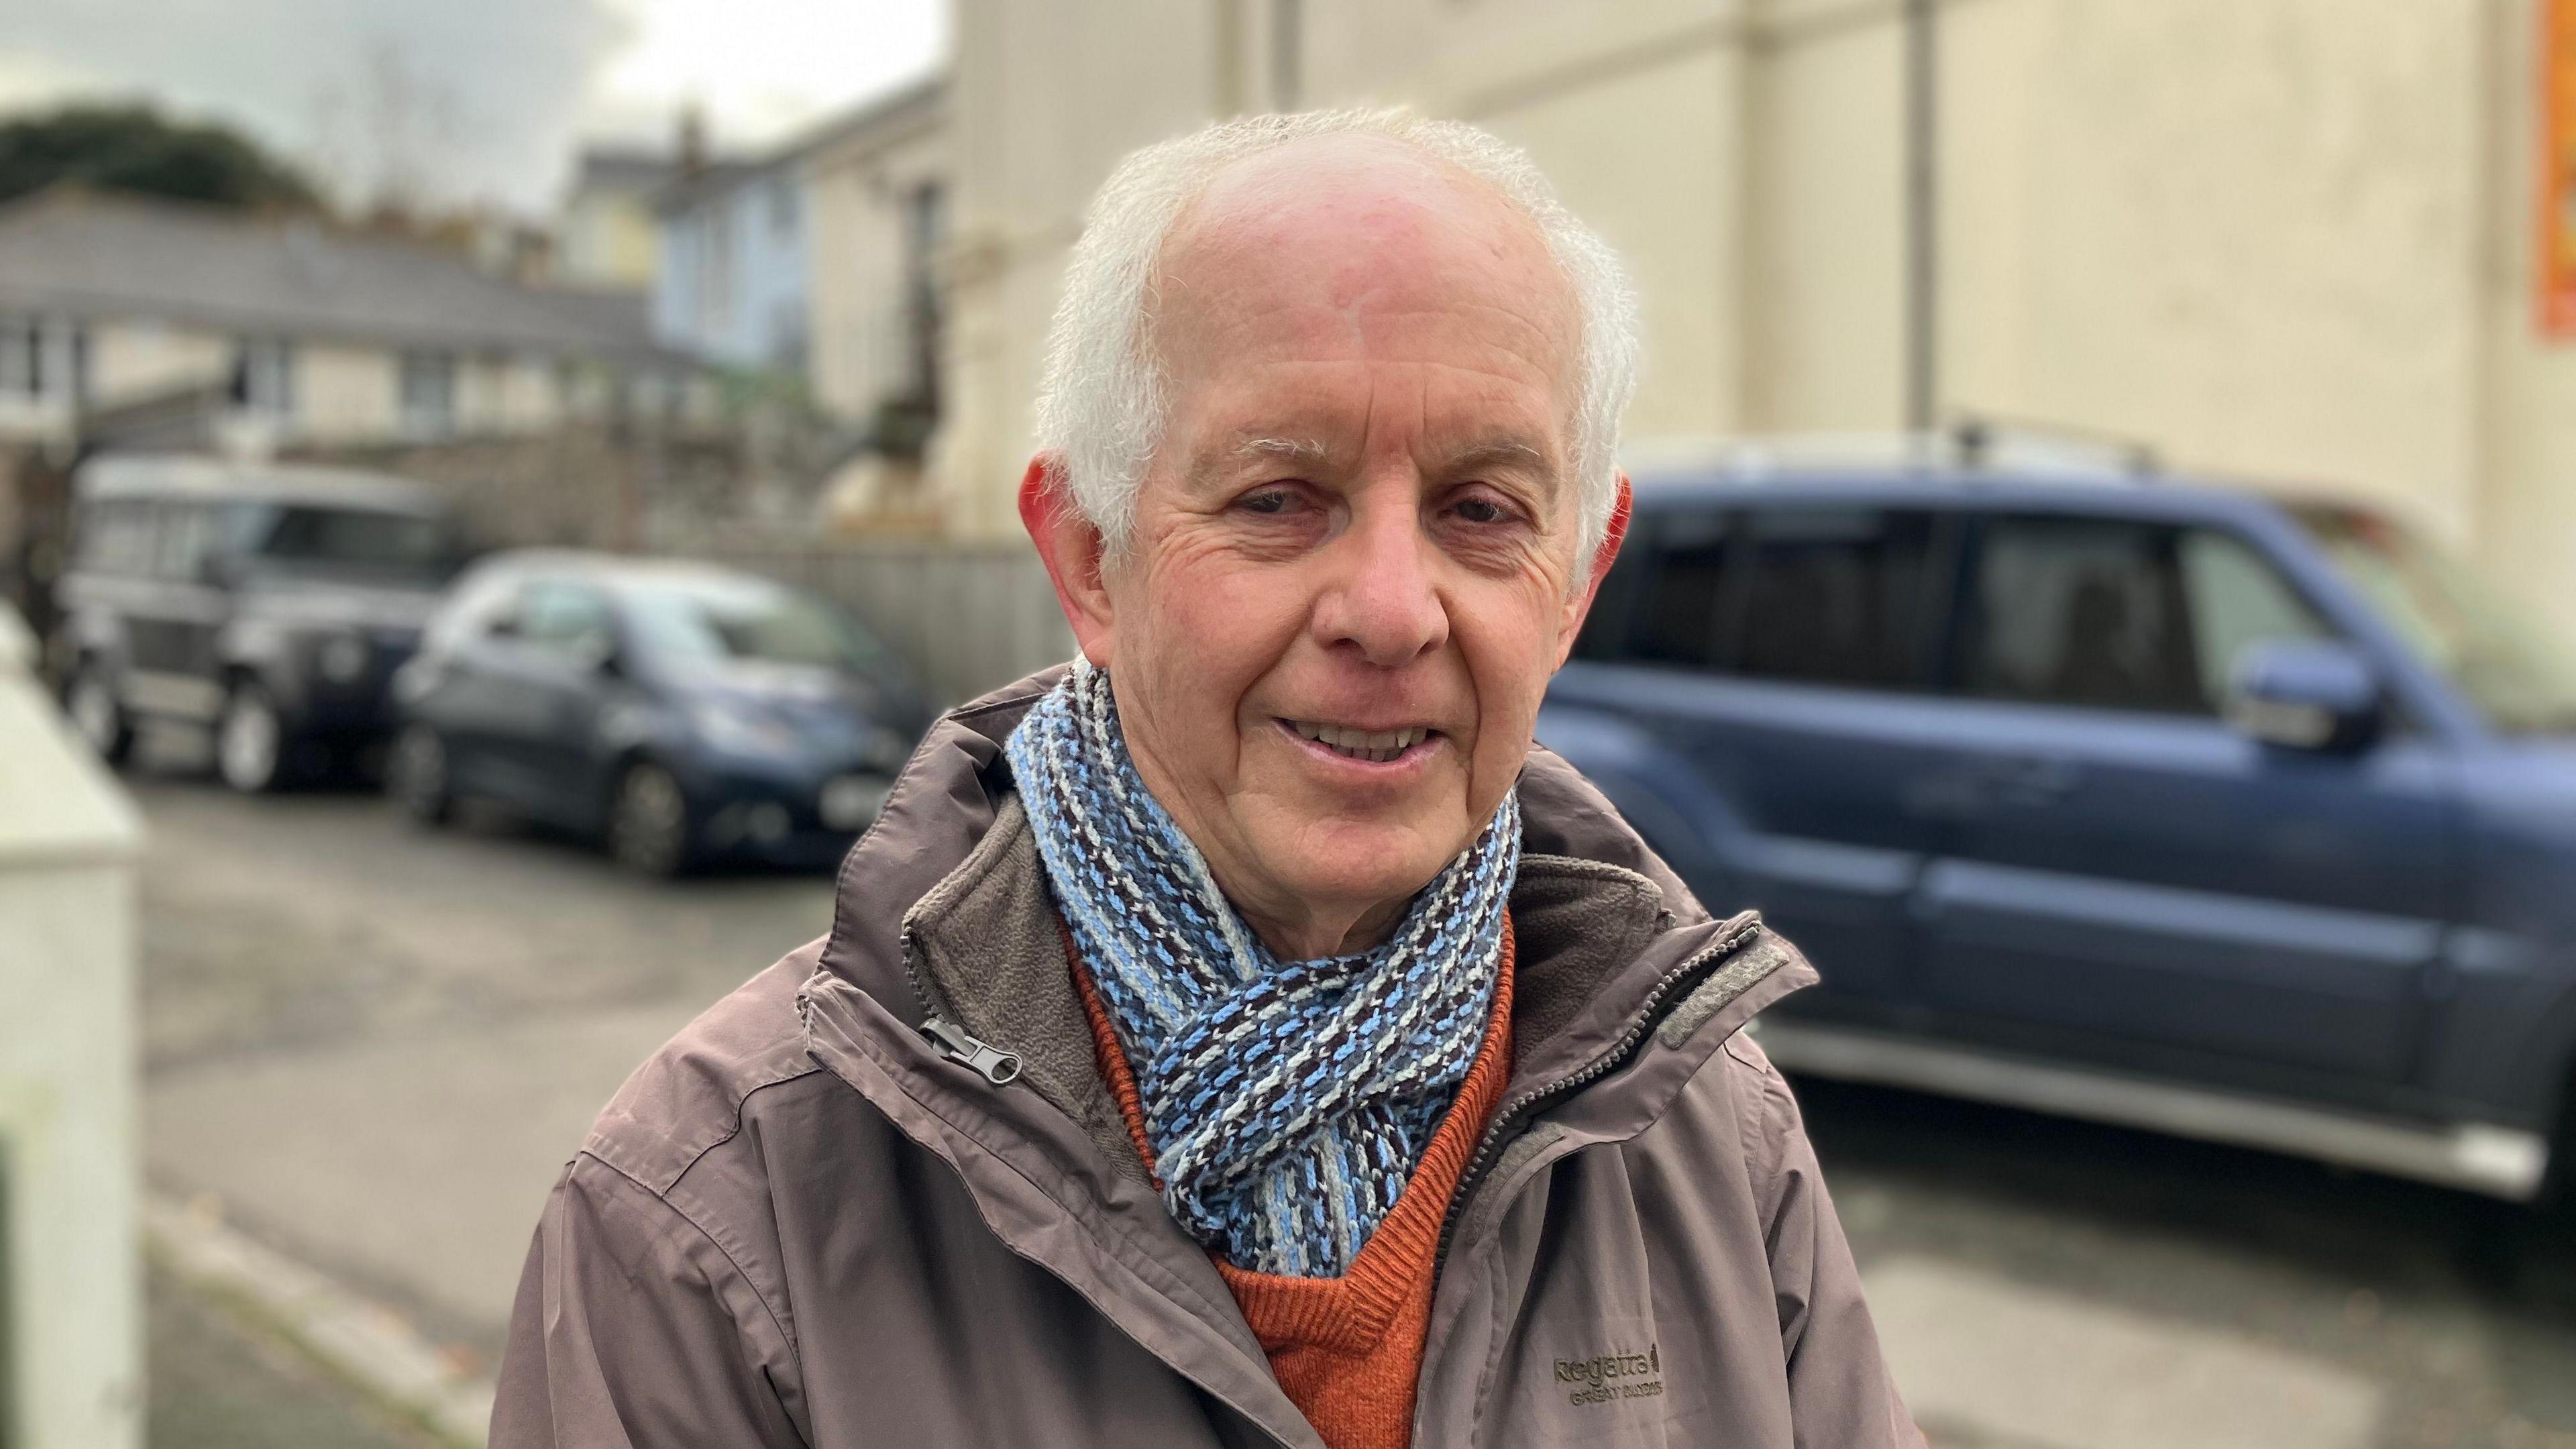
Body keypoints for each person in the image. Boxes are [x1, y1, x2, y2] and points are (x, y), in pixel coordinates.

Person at [492, 107, 1921, 1449]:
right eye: (1276, 499)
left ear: (1577, 580)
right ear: (1089, 558)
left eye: (1483, 511)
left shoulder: (1716, 1142)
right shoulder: (713, 1217)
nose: (1391, 609)